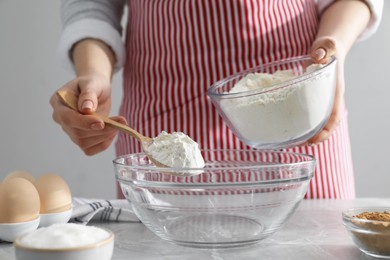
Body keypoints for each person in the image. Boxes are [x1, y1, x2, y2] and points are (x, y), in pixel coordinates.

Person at [51, 0, 383, 199]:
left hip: (294, 109)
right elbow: (91, 4)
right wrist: (93, 73)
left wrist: (332, 48)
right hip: (165, 115)